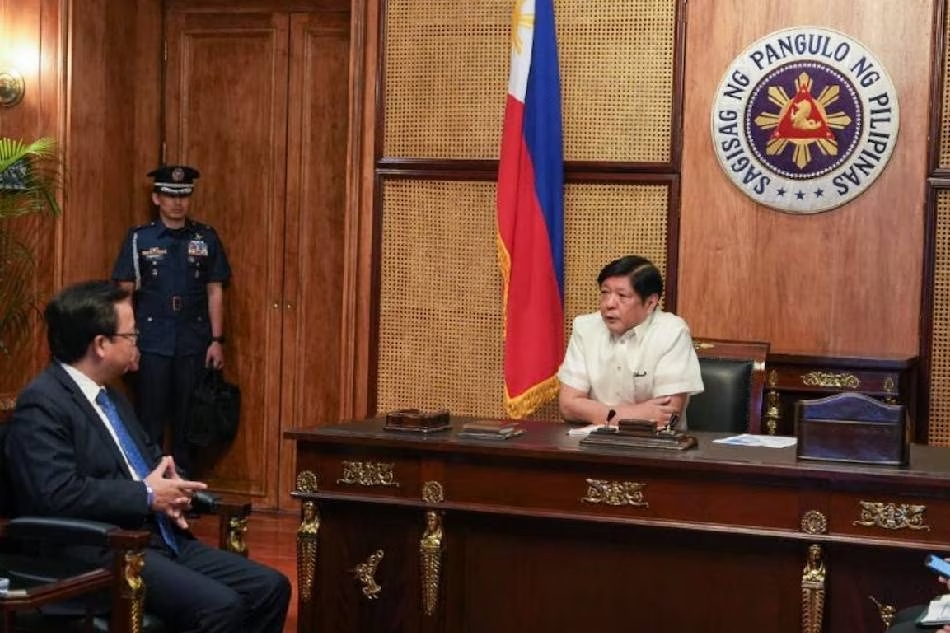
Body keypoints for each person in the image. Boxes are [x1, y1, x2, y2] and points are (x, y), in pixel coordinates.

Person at [4, 280, 289, 633]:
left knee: (270, 588)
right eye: (132, 335)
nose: (138, 342)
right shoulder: (43, 403)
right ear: (101, 344)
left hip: (157, 538)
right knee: (220, 608)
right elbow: (57, 493)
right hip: (100, 546)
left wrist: (174, 487)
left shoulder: (112, 398)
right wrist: (148, 496)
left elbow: (152, 463)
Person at [111, 165, 231, 471]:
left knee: (188, 421)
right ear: (156, 198)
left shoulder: (205, 237)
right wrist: (129, 343)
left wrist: (217, 341)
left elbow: (215, 291)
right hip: (152, 341)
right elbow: (124, 295)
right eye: (170, 195)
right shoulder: (140, 238)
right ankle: (150, 490)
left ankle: (184, 490)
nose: (178, 202)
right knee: (149, 419)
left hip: (194, 340)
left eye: (184, 195)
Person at [557, 254, 704, 428]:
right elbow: (568, 405)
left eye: (622, 296)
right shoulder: (585, 327)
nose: (609, 304)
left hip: (653, 447)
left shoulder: (672, 332)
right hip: (591, 445)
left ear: (650, 303)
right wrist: (635, 414)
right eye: (605, 293)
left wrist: (594, 411)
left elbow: (667, 415)